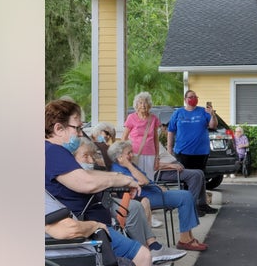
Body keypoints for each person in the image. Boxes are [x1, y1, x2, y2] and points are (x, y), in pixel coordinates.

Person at [44, 99, 151, 266]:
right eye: (77, 128)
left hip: (92, 227)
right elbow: (86, 182)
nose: (80, 134)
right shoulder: (53, 152)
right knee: (143, 256)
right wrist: (120, 179)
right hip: (88, 231)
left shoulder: (53, 151)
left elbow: (85, 173)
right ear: (59, 129)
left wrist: (120, 178)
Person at [72, 138, 187, 263]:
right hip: (93, 207)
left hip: (106, 200)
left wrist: (125, 174)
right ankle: (144, 252)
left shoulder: (95, 169)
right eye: (85, 156)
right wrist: (125, 171)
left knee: (136, 206)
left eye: (92, 156)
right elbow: (143, 181)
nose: (91, 160)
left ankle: (151, 247)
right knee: (135, 206)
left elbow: (145, 181)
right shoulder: (73, 174)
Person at [109, 140, 209, 251]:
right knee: (185, 197)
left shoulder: (131, 165)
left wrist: (155, 185)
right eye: (128, 153)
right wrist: (128, 164)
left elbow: (146, 179)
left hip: (153, 192)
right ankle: (185, 240)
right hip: (145, 196)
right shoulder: (117, 169)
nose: (132, 155)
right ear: (119, 157)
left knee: (187, 195)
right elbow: (144, 180)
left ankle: (188, 237)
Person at [156, 137, 218, 216]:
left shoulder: (152, 140)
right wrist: (170, 165)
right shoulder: (146, 145)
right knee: (195, 175)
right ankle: (190, 208)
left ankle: (201, 205)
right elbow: (153, 165)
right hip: (164, 171)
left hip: (173, 167)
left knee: (200, 172)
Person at [166, 90, 217, 172]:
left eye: (195, 97)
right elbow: (171, 131)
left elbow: (213, 126)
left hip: (201, 152)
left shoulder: (203, 111)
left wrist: (212, 115)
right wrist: (169, 148)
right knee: (184, 176)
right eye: (191, 97)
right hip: (182, 152)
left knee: (199, 176)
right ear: (185, 99)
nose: (193, 99)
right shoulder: (178, 113)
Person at [122, 92, 161, 180]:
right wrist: (124, 154)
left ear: (149, 105)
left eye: (145, 102)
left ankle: (149, 194)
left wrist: (157, 157)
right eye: (140, 103)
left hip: (150, 154)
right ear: (136, 105)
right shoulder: (131, 117)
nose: (143, 105)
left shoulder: (154, 118)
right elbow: (124, 138)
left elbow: (156, 140)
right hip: (134, 153)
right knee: (135, 178)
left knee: (149, 179)